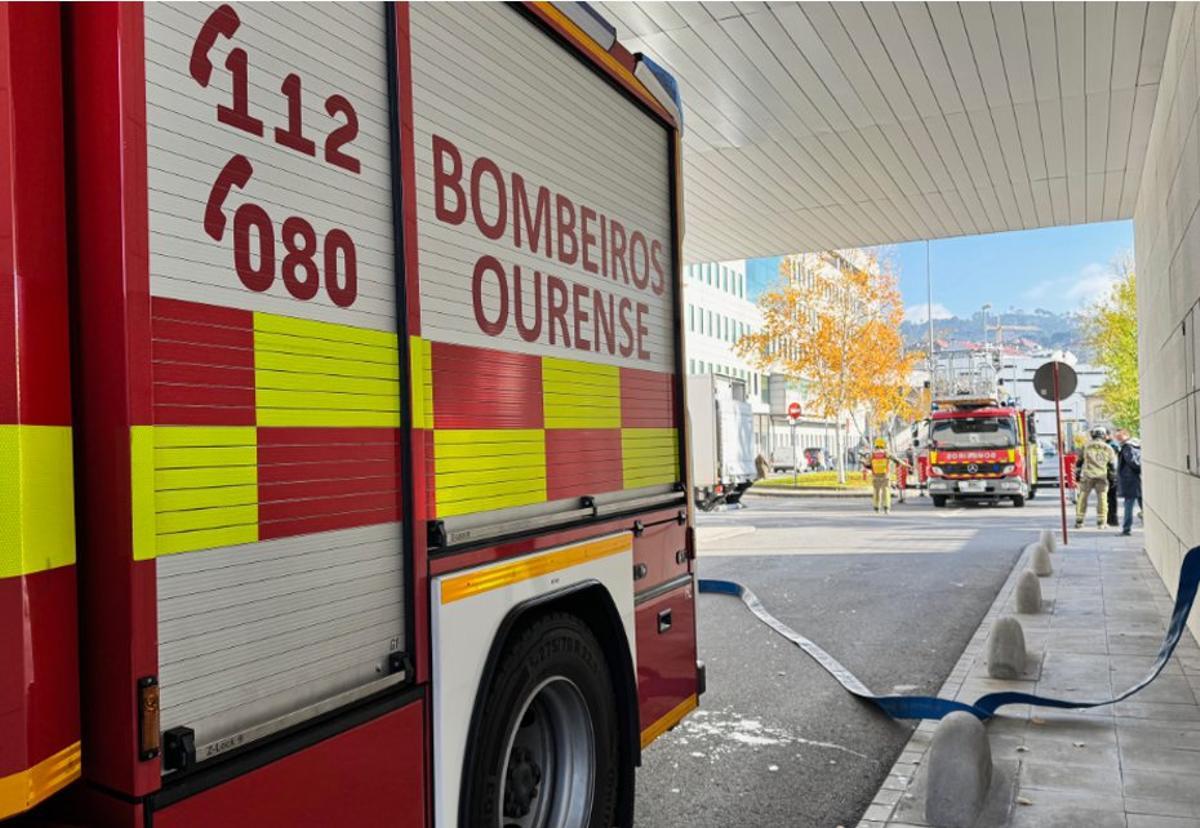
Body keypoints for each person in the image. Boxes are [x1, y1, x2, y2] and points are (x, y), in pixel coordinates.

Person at [1075, 427, 1118, 528]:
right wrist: (1112, 478)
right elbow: (1112, 465)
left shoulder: (1085, 446)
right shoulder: (1108, 448)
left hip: (1087, 476)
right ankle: (1101, 522)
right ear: (1103, 435)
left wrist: (1076, 475)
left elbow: (1079, 462)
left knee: (1083, 497)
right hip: (1102, 477)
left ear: (1093, 435)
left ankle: (1079, 521)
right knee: (1102, 498)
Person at [868, 438, 909, 515]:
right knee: (886, 491)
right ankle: (886, 508)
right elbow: (896, 460)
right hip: (885, 476)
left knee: (876, 492)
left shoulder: (872, 454)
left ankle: (876, 508)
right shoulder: (886, 453)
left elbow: (867, 464)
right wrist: (905, 465)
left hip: (875, 476)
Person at [1117, 432, 1142, 536]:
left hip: (1130, 480)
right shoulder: (1136, 445)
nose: (1118, 439)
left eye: (1119, 436)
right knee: (1142, 504)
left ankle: (1126, 529)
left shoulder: (1127, 447)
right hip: (1138, 479)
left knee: (1128, 505)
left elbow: (1132, 462)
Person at [1106, 429, 1121, 527]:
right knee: (1110, 498)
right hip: (1111, 474)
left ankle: (1112, 519)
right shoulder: (1112, 444)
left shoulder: (1112, 445)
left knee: (1111, 498)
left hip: (1111, 474)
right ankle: (1111, 519)